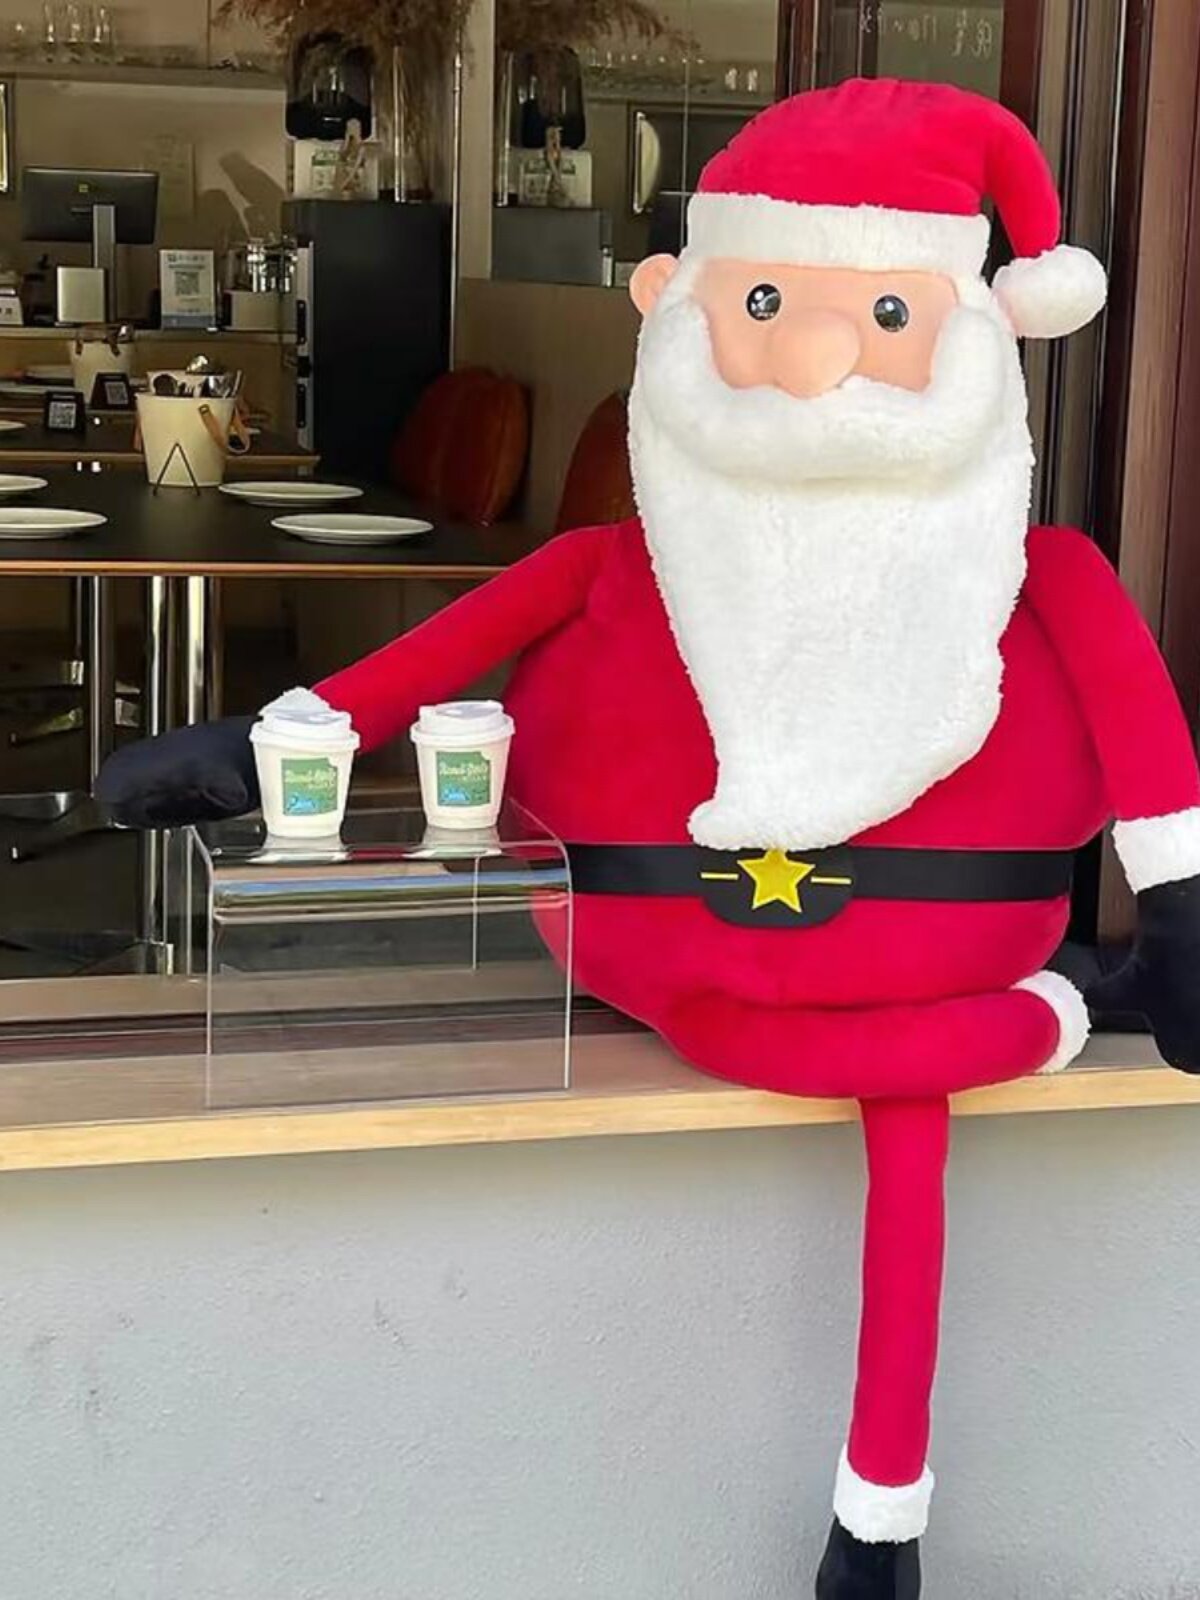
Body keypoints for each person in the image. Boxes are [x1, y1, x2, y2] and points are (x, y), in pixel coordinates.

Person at [99, 79, 1200, 1600]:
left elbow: (1152, 759)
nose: (813, 361)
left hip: (845, 968)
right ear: (679, 306)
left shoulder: (1044, 576)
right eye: (768, 304)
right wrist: (269, 745)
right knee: (910, 1126)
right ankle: (1050, 1021)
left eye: (885, 314)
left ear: (983, 334)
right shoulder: (612, 562)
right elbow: (431, 658)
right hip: (692, 970)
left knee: (909, 1154)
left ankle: (882, 1512)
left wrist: (1181, 911)